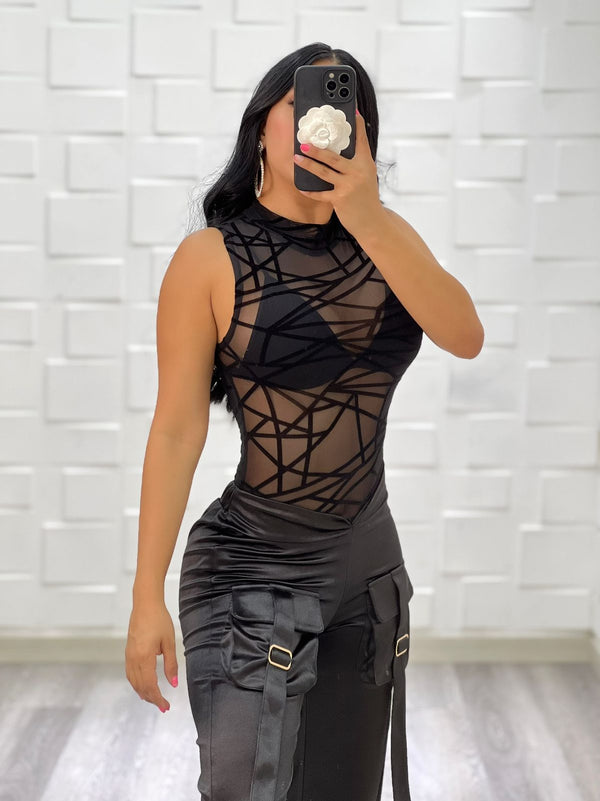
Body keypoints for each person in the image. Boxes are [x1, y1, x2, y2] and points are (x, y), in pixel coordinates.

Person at [125, 42, 484, 801]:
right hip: (250, 567)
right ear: (263, 125)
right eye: (300, 104)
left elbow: (465, 334)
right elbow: (177, 429)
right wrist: (144, 594)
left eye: (341, 107)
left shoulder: (386, 239)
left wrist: (368, 215)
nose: (320, 120)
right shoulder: (209, 258)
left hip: (369, 567)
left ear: (361, 135)